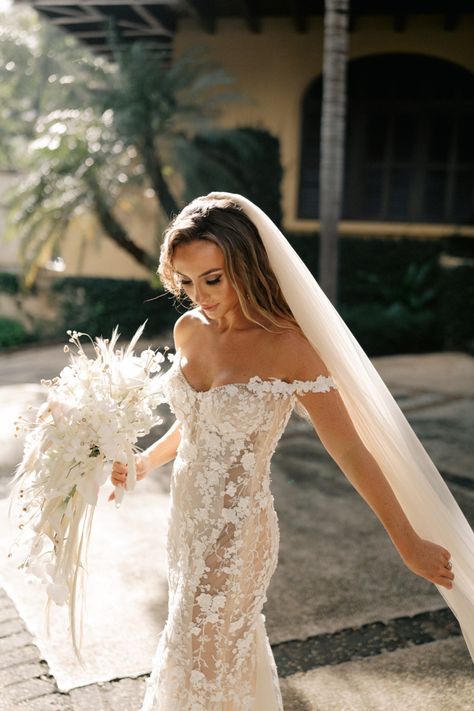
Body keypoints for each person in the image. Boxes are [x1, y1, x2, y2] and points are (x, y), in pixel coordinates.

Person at [109, 194, 461, 711]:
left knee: (200, 654)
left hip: (238, 529)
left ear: (247, 266)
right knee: (206, 656)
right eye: (185, 283)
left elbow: (348, 448)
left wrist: (407, 540)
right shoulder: (188, 331)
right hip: (185, 521)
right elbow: (198, 424)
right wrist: (143, 463)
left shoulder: (289, 347)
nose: (199, 296)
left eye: (213, 278)